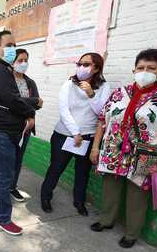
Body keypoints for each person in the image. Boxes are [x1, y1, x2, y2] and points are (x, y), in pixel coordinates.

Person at [90, 49, 157, 248]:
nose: (145, 71)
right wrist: (95, 148)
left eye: (151, 68)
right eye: (141, 67)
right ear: (134, 69)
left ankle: (132, 233)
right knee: (110, 188)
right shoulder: (119, 93)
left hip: (147, 155)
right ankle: (106, 220)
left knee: (138, 194)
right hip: (113, 150)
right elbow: (102, 121)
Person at [0, 30, 41, 236]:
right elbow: (12, 100)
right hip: (1, 132)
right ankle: (2, 218)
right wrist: (34, 103)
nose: (13, 49)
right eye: (9, 45)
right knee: (4, 176)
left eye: (15, 45)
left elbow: (9, 100)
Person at [40, 52, 111, 216]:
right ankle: (45, 197)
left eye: (86, 64)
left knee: (82, 172)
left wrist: (91, 95)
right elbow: (64, 110)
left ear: (97, 68)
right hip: (64, 134)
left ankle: (79, 202)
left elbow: (102, 113)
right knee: (56, 168)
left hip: (88, 137)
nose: (81, 67)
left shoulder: (104, 87)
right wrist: (75, 132)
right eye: (79, 64)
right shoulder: (69, 84)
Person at [10, 49, 40, 202]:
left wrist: (30, 115)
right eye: (20, 60)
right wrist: (30, 101)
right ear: (12, 62)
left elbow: (37, 103)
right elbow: (10, 102)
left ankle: (12, 187)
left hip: (25, 128)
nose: (23, 63)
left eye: (25, 60)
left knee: (18, 159)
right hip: (7, 127)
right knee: (4, 159)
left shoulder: (30, 82)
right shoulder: (6, 80)